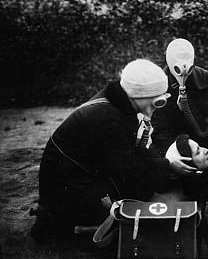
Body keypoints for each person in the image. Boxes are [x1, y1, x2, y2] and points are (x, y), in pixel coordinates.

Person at [30, 59, 191, 243]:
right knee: (135, 194)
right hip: (66, 184)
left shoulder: (118, 103)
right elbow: (129, 169)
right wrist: (168, 165)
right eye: (157, 102)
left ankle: (54, 212)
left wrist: (162, 164)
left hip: (75, 173)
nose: (158, 108)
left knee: (146, 180)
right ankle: (56, 220)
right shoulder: (108, 118)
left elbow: (130, 151)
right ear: (140, 95)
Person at [150, 38, 208, 167]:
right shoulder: (159, 86)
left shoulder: (204, 77)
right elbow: (160, 131)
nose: (183, 71)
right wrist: (174, 156)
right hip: (179, 148)